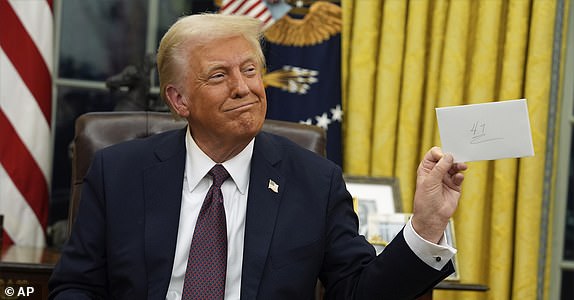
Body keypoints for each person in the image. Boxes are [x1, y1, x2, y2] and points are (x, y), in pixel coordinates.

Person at [49, 13, 467, 300]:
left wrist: (427, 225)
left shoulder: (314, 182)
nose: (243, 87)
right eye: (219, 75)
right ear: (179, 100)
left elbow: (358, 291)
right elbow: (74, 286)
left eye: (250, 70)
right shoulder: (119, 172)